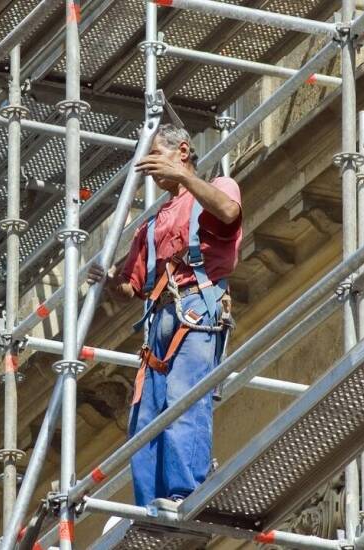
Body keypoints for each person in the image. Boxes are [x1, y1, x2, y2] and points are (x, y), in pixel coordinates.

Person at [88, 123, 242, 510]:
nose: (152, 168)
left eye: (157, 155)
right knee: (146, 420)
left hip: (197, 312)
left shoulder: (217, 188)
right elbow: (132, 288)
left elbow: (227, 212)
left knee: (183, 402)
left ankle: (184, 492)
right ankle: (149, 504)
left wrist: (184, 179)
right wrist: (107, 281)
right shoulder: (152, 223)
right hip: (160, 325)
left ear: (183, 151)